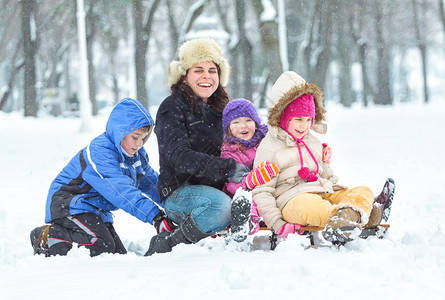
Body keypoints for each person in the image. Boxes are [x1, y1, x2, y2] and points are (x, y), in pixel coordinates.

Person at [252, 71, 387, 244]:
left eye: (309, 119)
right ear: (282, 116)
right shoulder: (269, 148)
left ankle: (350, 215)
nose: (304, 125)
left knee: (363, 190)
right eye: (298, 119)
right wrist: (277, 223)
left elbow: (325, 173)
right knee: (310, 206)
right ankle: (359, 215)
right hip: (292, 201)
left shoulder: (312, 141)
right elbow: (263, 192)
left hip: (323, 192)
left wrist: (338, 190)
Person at [145, 38, 250, 256]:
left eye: (213, 70)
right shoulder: (171, 108)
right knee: (223, 209)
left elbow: (246, 139)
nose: (207, 76)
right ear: (184, 75)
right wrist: (228, 169)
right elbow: (180, 157)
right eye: (198, 69)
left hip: (217, 187)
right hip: (179, 191)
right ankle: (170, 242)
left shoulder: (222, 108)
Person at [30, 98, 174, 257]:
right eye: (135, 137)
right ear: (121, 131)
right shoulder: (100, 152)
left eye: (144, 138)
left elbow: (153, 184)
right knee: (101, 246)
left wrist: (176, 202)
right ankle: (47, 236)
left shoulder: (135, 155)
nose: (139, 143)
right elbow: (120, 190)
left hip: (94, 210)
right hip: (68, 204)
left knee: (116, 253)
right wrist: (156, 216)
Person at [220, 98, 279, 242]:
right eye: (236, 122)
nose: (243, 126)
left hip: (269, 189)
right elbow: (232, 182)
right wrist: (251, 180)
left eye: (248, 120)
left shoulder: (266, 141)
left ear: (256, 122)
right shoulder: (229, 152)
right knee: (245, 199)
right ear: (228, 128)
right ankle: (246, 221)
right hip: (244, 191)